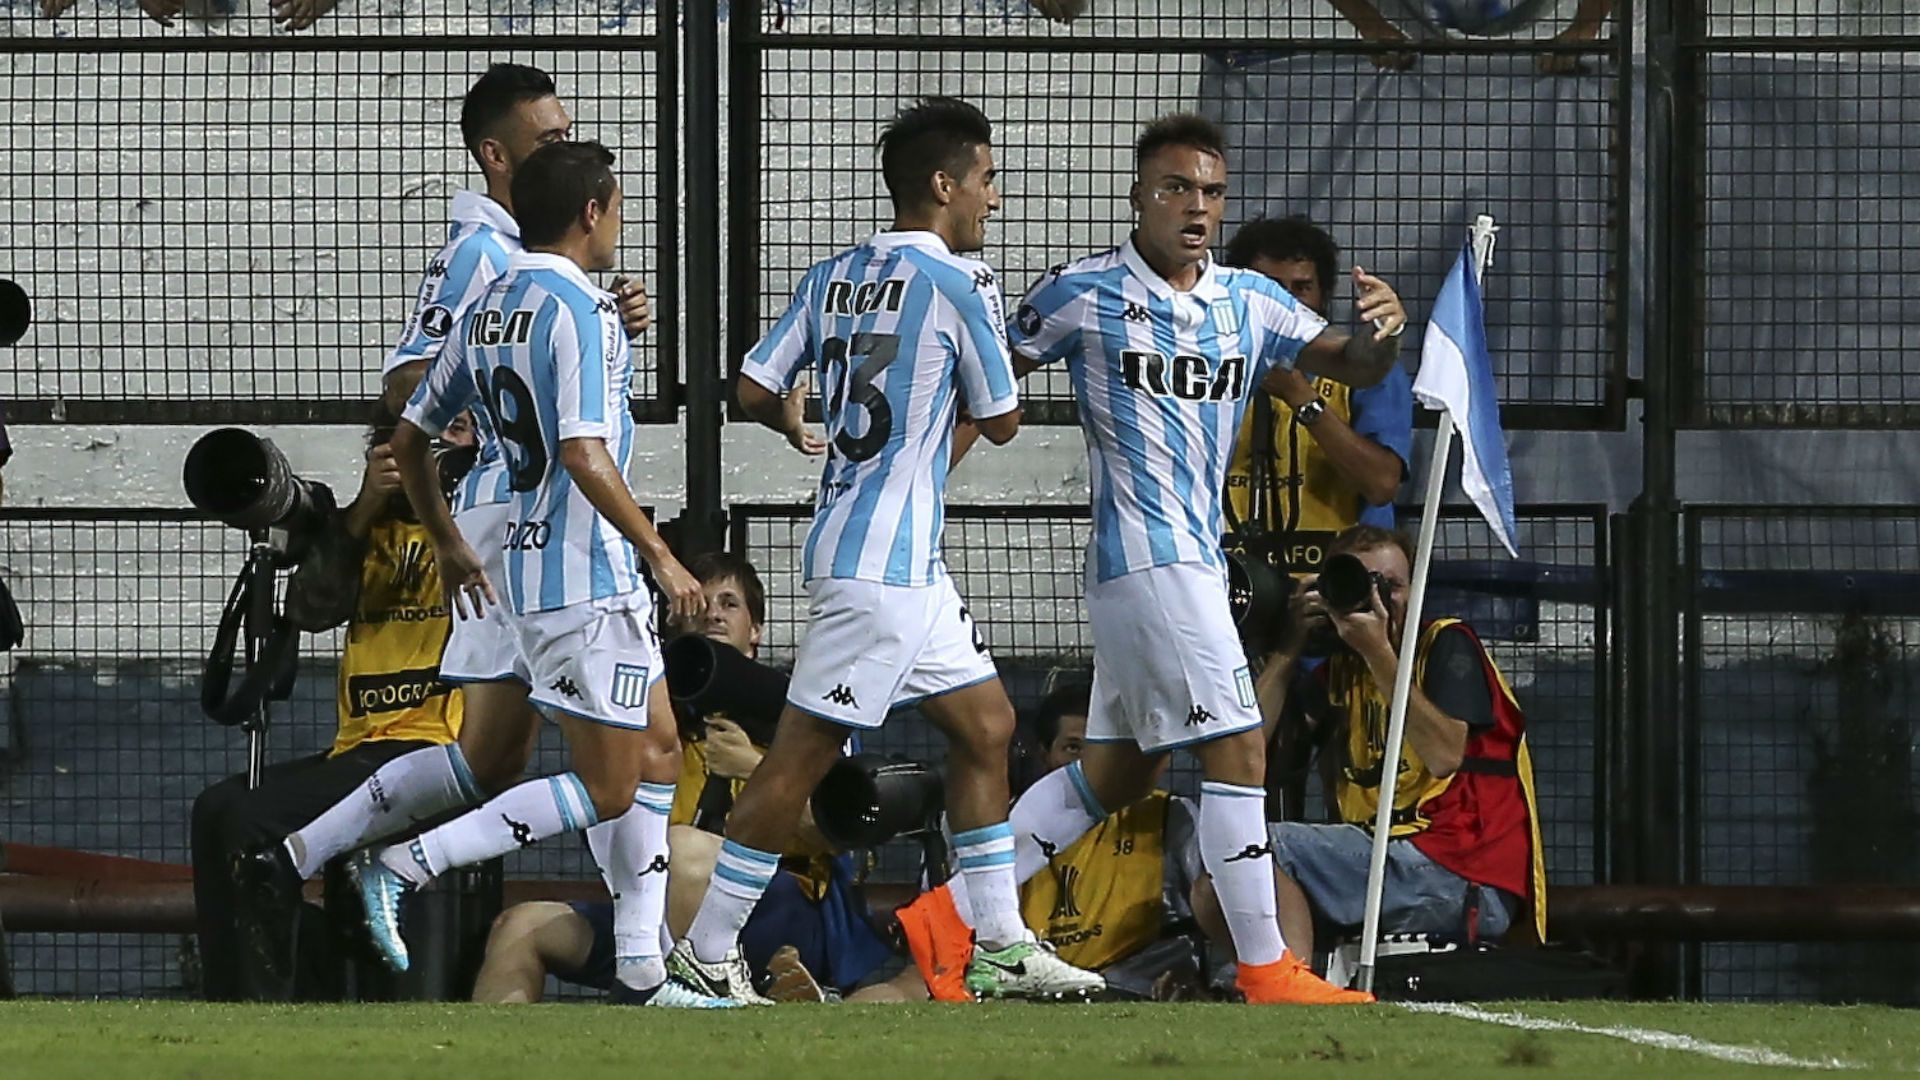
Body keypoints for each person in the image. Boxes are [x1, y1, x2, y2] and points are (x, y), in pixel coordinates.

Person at [955, 112, 1409, 1005]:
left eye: (1210, 192)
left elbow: (1354, 366)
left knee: (1117, 775)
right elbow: (985, 377)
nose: (1195, 208)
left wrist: (1385, 331)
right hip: (1151, 563)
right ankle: (1267, 967)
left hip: (1183, 564)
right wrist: (921, 472)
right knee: (1240, 745)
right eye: (1176, 190)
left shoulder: (1249, 299)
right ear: (1138, 198)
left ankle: (955, 923)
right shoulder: (1080, 292)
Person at [668, 95, 1103, 1006]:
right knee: (795, 764)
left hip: (890, 561)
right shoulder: (961, 281)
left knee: (986, 728)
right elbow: (1005, 415)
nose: (994, 198)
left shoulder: (833, 276)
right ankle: (703, 954)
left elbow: (752, 383)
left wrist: (794, 415)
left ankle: (999, 943)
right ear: (944, 185)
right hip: (881, 571)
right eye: (986, 179)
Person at [252, 64, 646, 906]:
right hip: (536, 524)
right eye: (550, 139)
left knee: (506, 756)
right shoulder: (477, 252)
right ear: (495, 155)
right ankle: (657, 954)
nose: (567, 148)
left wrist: (607, 313)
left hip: (521, 522)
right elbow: (406, 381)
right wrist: (470, 417)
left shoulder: (539, 267)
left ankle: (307, 853)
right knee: (626, 756)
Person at [351, 139, 725, 1009]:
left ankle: (642, 963)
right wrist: (660, 553)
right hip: (581, 574)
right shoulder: (580, 309)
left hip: (518, 564)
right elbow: (583, 451)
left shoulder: (489, 303)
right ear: (592, 212)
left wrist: (446, 537)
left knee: (661, 744)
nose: (620, 225)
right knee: (611, 782)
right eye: (620, 208)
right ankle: (408, 860)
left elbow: (407, 437)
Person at [470, 553, 891, 1004]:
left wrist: (752, 766)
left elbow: (831, 838)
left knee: (685, 851)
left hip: (781, 907)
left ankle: (700, 1005)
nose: (712, 613)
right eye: (701, 604)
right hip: (654, 915)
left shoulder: (802, 720)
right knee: (519, 927)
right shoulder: (655, 725)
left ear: (756, 631)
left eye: (729, 604)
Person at [192, 399, 469, 1001]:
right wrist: (366, 504)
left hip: (437, 744)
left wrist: (442, 502)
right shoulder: (365, 531)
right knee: (217, 808)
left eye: (455, 433)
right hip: (362, 749)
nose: (435, 448)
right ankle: (232, 1004)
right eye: (421, 436)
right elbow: (313, 608)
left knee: (250, 820)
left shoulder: (486, 522)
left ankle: (260, 1014)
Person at [1200, 524, 1545, 965]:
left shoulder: (1446, 644)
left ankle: (1288, 999)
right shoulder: (1339, 672)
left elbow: (1444, 756)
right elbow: (1245, 756)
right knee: (1214, 879)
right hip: (1383, 860)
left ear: (1417, 590)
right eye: (1363, 583)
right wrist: (1288, 650)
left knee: (1262, 847)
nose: (1381, 598)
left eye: (1394, 586)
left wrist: (1377, 650)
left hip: (1459, 871)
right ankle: (1276, 984)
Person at [893, 681, 1205, 1003]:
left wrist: (1213, 980)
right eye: (1073, 747)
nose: (1089, 764)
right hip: (1023, 998)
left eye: (1100, 750)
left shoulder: (1168, 816)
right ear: (1045, 754)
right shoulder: (998, 825)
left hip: (1133, 992)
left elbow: (1216, 908)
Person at [1222, 216, 1412, 572]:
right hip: (1229, 581)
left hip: (1337, 584)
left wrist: (1300, 396)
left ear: (1324, 295)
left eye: (1301, 288)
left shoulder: (1369, 373)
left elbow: (1381, 484)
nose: (1283, 302)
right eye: (1269, 286)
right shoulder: (1210, 369)